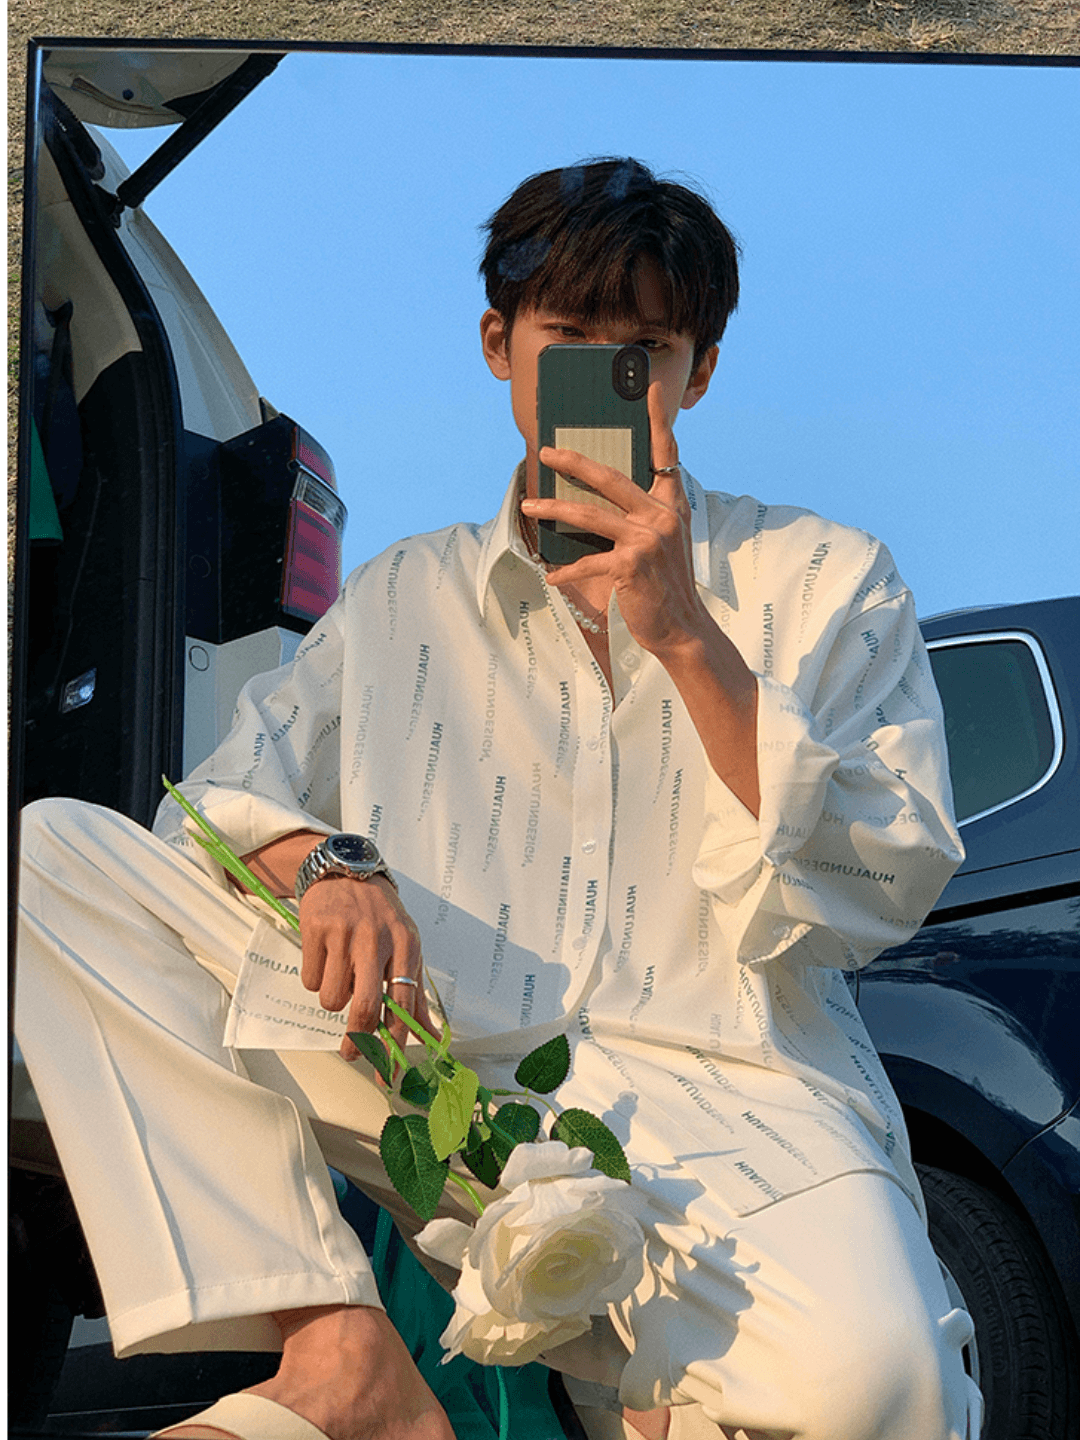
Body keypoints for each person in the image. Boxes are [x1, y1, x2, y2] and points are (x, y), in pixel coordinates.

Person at [16, 158, 983, 1440]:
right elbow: (226, 799)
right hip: (429, 1068)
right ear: (499, 346)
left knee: (886, 1388)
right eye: (570, 338)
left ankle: (649, 1381)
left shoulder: (825, 578)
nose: (608, 376)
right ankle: (338, 1352)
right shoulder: (404, 597)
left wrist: (686, 634)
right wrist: (331, 862)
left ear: (698, 373)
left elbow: (891, 872)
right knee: (57, 856)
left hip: (733, 1097)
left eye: (645, 350)